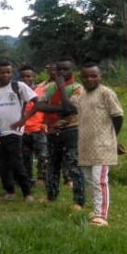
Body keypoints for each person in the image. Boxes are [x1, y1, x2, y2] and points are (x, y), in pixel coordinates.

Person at [68, 63, 124, 227]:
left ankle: (101, 216)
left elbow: (118, 116)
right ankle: (96, 208)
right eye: (85, 76)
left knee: (99, 180)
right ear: (81, 78)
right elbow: (69, 107)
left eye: (94, 76)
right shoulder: (81, 95)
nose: (89, 79)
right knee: (90, 180)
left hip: (103, 145)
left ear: (100, 77)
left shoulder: (106, 93)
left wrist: (113, 138)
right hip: (85, 145)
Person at [35, 57, 85, 208]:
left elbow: (72, 108)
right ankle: (51, 195)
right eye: (59, 69)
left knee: (74, 166)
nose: (62, 72)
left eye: (66, 69)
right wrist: (62, 108)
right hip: (52, 131)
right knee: (52, 165)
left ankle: (79, 201)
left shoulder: (78, 88)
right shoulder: (49, 88)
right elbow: (39, 105)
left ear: (73, 70)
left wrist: (62, 88)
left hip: (72, 131)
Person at [0, 61, 37, 202]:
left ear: (12, 73)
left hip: (14, 132)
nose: (5, 75)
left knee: (16, 162)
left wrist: (23, 120)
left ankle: (27, 192)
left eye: (8, 72)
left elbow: (37, 101)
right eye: (2, 72)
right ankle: (9, 190)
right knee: (2, 164)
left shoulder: (18, 86)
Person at [19, 65, 48, 187]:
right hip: (23, 130)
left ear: (34, 77)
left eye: (29, 76)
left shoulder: (41, 91)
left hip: (38, 128)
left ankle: (42, 177)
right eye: (24, 76)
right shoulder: (17, 92)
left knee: (43, 155)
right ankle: (28, 179)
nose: (27, 78)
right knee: (25, 157)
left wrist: (46, 123)